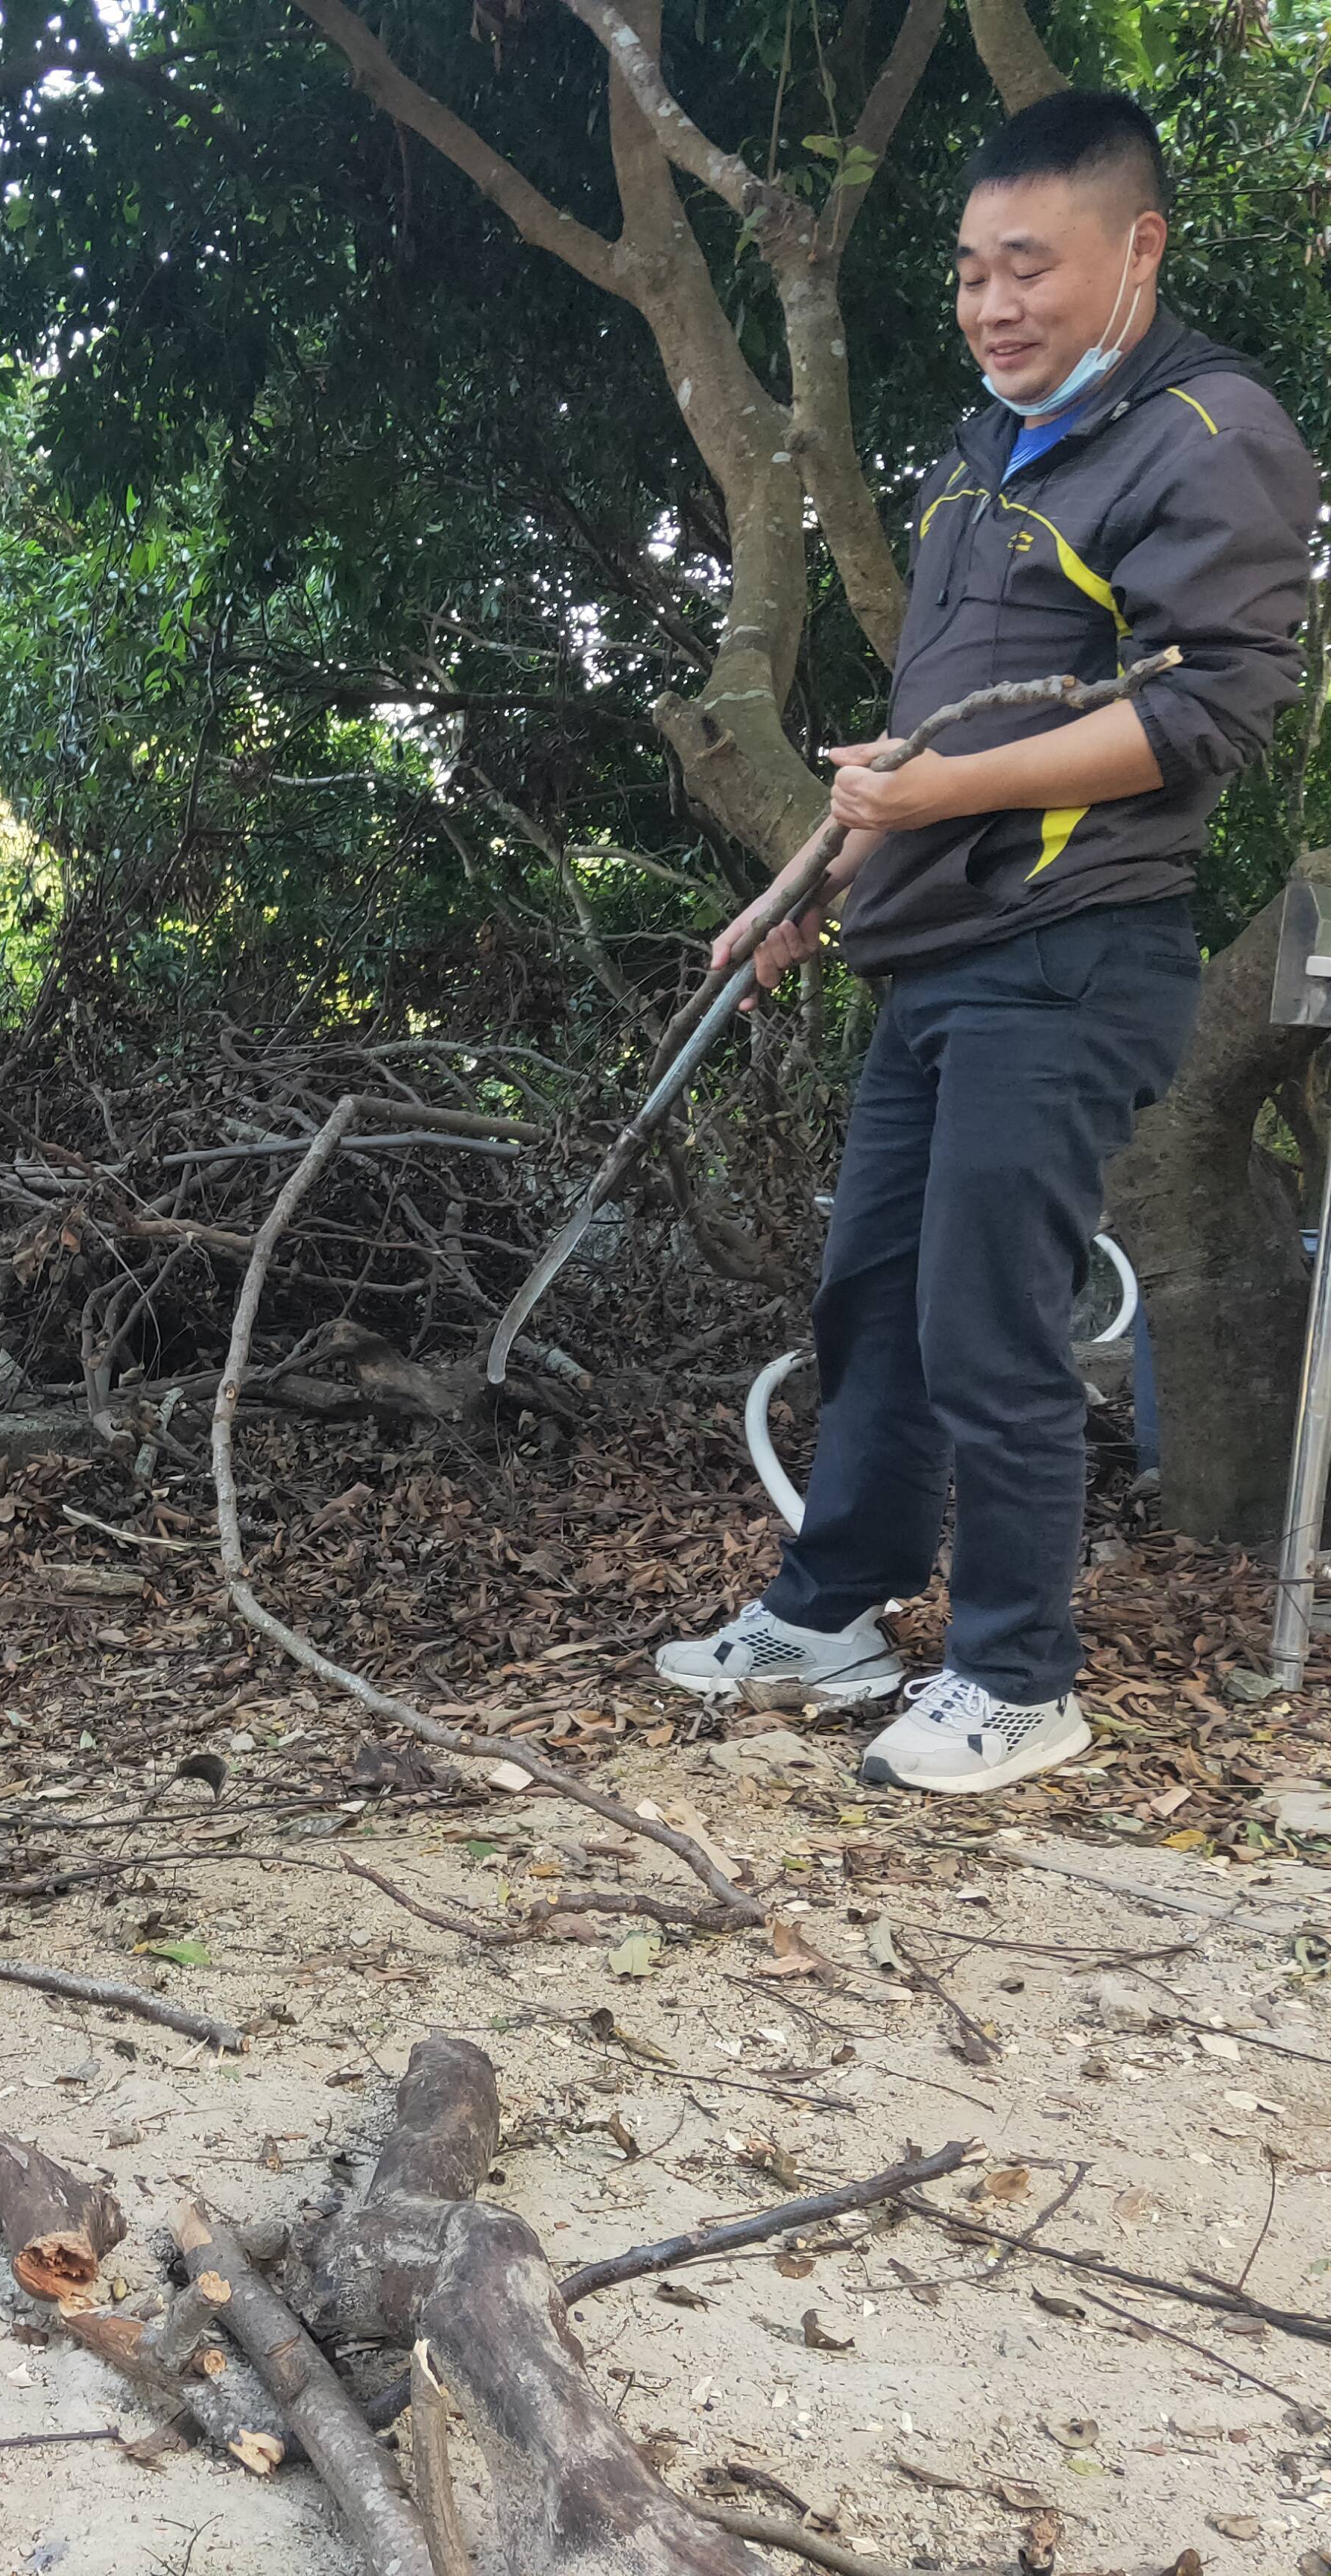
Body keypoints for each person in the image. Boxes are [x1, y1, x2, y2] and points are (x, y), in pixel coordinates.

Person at [656, 92, 1318, 1793]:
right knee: (874, 1300)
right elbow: (931, 749)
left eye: (1032, 265)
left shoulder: (1208, 432)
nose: (993, 302)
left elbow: (1209, 713)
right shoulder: (979, 452)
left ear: (1139, 249)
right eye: (971, 270)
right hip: (939, 955)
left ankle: (1022, 1677)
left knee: (986, 1320)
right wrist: (820, 890)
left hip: (1074, 952)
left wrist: (936, 783)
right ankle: (832, 1612)